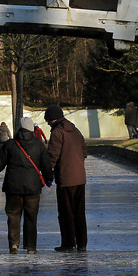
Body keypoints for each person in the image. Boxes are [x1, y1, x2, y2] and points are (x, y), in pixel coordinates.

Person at [0, 116, 54, 254]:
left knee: (13, 216)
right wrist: (49, 178)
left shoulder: (10, 145)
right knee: (31, 217)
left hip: (13, 187)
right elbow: (46, 165)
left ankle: (14, 244)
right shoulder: (38, 145)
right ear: (32, 129)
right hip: (33, 187)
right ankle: (31, 247)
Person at [44, 104, 89, 252]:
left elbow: (52, 155)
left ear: (52, 119)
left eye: (48, 120)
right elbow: (84, 152)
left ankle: (68, 243)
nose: (47, 123)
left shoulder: (58, 132)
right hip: (80, 178)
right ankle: (82, 243)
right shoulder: (75, 130)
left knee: (66, 213)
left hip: (66, 178)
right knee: (79, 212)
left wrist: (46, 171)